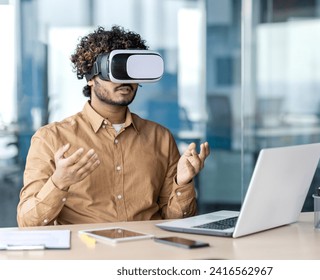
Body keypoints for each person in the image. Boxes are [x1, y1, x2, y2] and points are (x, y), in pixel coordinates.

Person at [17, 25, 210, 227]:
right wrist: (59, 182)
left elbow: (176, 224)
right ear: (91, 77)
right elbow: (28, 223)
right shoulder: (51, 138)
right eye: (117, 70)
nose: (125, 80)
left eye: (131, 71)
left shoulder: (160, 138)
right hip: (87, 254)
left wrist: (183, 182)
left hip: (147, 252)